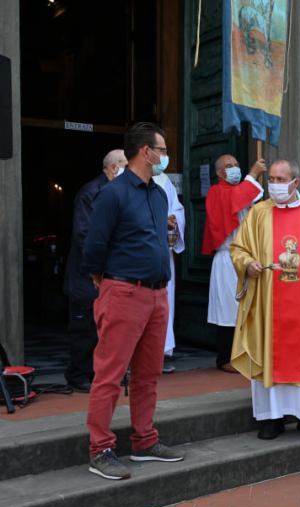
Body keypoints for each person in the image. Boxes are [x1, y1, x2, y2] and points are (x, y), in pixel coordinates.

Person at [82, 122, 184, 480]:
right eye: (162, 149)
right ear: (146, 151)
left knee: (148, 374)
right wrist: (106, 280)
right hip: (124, 292)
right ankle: (101, 448)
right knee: (110, 374)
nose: (165, 156)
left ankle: (144, 440)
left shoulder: (157, 194)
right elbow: (93, 247)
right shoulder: (114, 193)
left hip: (157, 294)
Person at [230, 159, 300, 439]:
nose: (275, 185)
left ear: (295, 182)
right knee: (271, 350)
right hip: (270, 302)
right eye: (272, 178)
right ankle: (272, 418)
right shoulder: (258, 213)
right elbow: (239, 249)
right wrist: (249, 264)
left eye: (282, 180)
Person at [63, 149, 127, 393]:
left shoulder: (121, 193)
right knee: (85, 329)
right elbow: (84, 236)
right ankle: (79, 374)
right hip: (87, 276)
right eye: (124, 165)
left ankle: (105, 373)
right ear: (113, 168)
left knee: (110, 329)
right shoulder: (91, 193)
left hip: (113, 275)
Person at [202, 154, 265, 372]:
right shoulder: (216, 192)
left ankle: (247, 353)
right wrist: (253, 175)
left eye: (237, 165)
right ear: (220, 172)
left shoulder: (241, 192)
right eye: (229, 166)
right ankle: (225, 358)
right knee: (230, 310)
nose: (234, 169)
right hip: (229, 257)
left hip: (249, 258)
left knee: (248, 308)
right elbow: (233, 202)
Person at [153, 172, 185, 373]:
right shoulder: (127, 179)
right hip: (140, 254)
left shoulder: (165, 181)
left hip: (163, 252)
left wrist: (173, 219)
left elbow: (178, 210)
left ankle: (159, 354)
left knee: (164, 303)